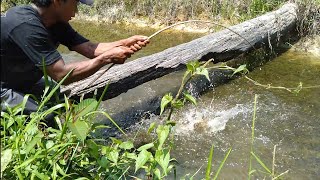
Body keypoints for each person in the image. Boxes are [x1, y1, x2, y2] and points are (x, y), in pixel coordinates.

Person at [0, 0, 149, 124]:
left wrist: (125, 43)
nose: (76, 11)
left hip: (21, 79)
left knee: (58, 99)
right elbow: (61, 75)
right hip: (3, 87)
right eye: (75, 3)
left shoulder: (55, 22)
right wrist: (106, 58)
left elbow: (90, 49)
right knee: (46, 117)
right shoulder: (25, 25)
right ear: (57, 2)